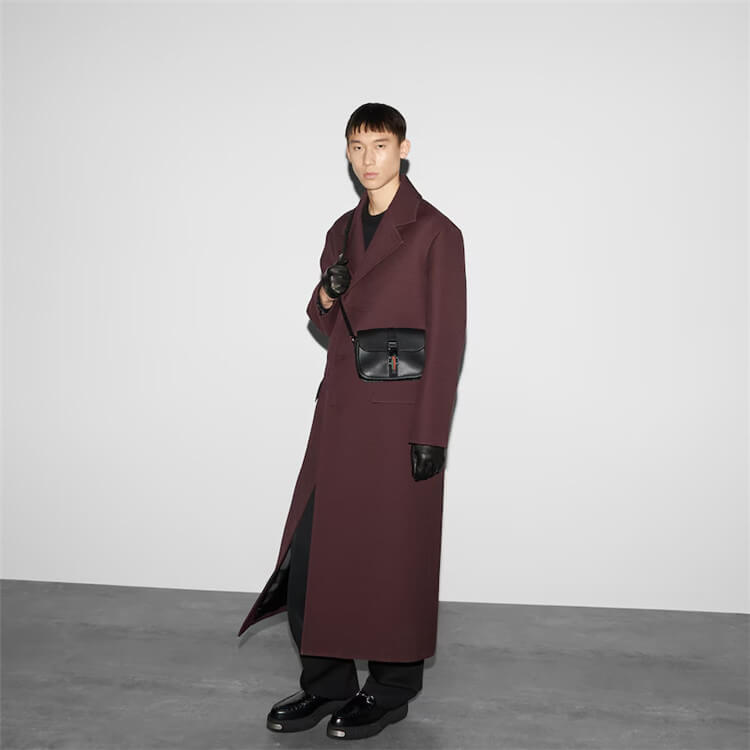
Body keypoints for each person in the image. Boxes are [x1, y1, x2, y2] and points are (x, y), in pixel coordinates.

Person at [237, 102, 467, 741]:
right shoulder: (341, 228)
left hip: (401, 422)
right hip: (340, 415)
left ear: (404, 149)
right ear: (347, 152)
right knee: (316, 554)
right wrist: (328, 292)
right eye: (357, 147)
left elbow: (448, 337)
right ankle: (326, 683)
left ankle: (390, 691)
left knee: (394, 556)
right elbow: (323, 320)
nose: (368, 159)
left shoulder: (436, 232)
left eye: (380, 145)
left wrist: (431, 433)